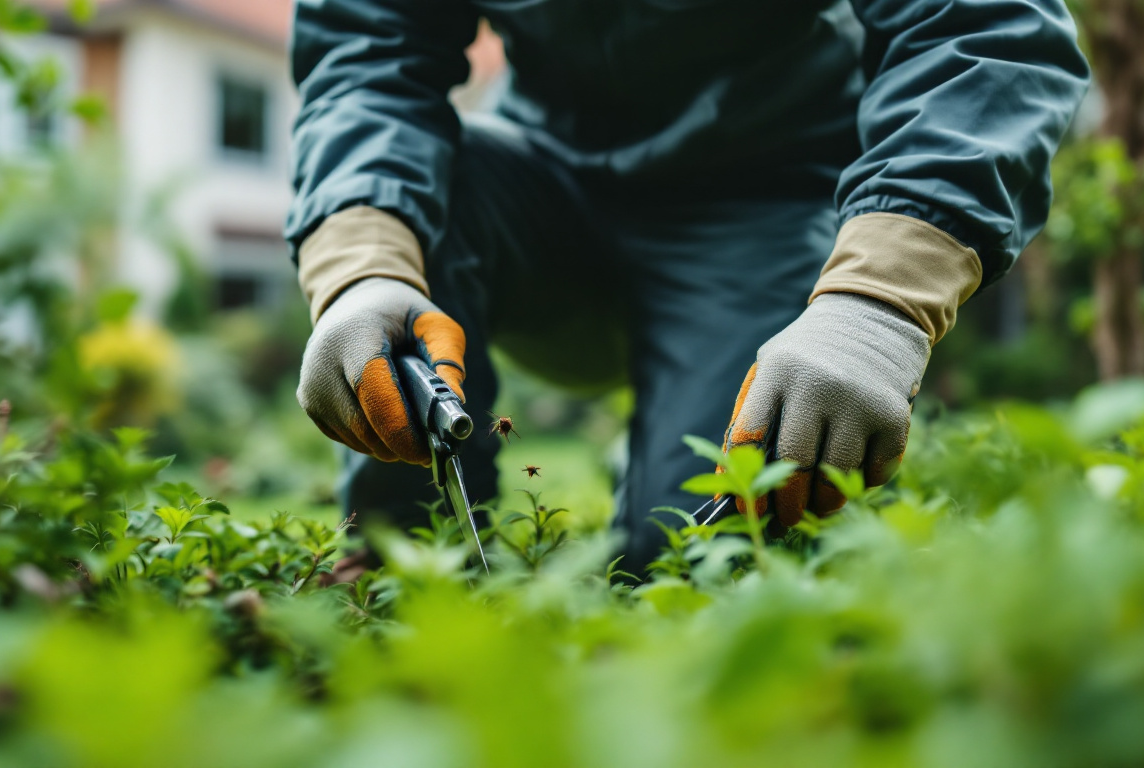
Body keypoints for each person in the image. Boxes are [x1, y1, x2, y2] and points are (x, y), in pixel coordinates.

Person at [286, 0, 1090, 572]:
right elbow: (368, 49)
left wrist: (875, 305)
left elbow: (980, 30)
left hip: (760, 204)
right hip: (537, 193)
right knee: (426, 186)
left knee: (688, 560)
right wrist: (362, 271)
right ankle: (401, 564)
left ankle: (664, 448)